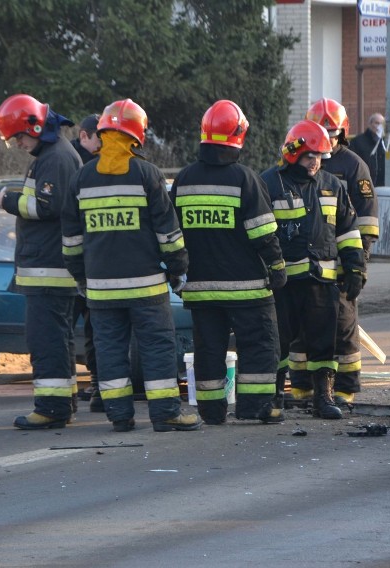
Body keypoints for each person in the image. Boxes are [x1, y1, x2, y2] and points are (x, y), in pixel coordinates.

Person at [61, 98, 201, 433]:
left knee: (109, 350)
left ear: (104, 132)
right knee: (157, 347)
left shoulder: (82, 179)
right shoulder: (147, 174)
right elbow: (169, 233)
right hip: (147, 288)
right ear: (136, 134)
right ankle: (166, 413)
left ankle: (119, 416)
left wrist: (81, 277)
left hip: (101, 289)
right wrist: (178, 269)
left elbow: (70, 241)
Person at [170, 100, 286, 425]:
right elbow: (263, 233)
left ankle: (210, 410)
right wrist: (277, 268)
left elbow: (171, 233)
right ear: (238, 136)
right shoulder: (245, 180)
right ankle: (255, 407)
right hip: (247, 288)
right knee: (260, 344)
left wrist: (177, 274)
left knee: (208, 349)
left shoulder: (184, 180)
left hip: (200, 287)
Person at [261, 120, 365, 419]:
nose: (315, 162)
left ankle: (324, 398)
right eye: (310, 156)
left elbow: (347, 231)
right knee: (279, 343)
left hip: (323, 283)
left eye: (320, 157)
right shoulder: (269, 183)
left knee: (324, 344)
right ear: (293, 153)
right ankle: (274, 397)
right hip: (283, 285)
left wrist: (356, 269)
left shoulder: (332, 185)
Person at [0, 93, 82, 430]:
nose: (16, 144)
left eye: (18, 136)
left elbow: (47, 206)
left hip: (50, 269)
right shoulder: (52, 154)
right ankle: (61, 404)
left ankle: (51, 409)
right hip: (49, 267)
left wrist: (8, 200)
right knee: (54, 339)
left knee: (46, 340)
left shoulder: (55, 158)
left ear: (34, 126)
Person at [305, 98, 377, 406]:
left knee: (345, 326)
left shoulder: (353, 165)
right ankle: (304, 388)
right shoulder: (303, 162)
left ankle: (346, 389)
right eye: (323, 131)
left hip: (343, 261)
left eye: (332, 133)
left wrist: (357, 264)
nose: (328, 139)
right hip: (312, 263)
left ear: (342, 132)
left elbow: (367, 220)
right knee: (304, 329)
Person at [71, 113, 102, 412]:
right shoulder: (78, 167)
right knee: (92, 328)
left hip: (84, 263)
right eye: (100, 138)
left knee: (93, 329)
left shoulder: (80, 163)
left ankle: (95, 385)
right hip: (82, 263)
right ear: (84, 136)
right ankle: (95, 385)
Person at [349, 112, 387, 188]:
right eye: (377, 123)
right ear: (370, 124)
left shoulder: (386, 142)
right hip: (363, 184)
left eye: (382, 124)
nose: (379, 126)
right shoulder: (357, 141)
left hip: (383, 185)